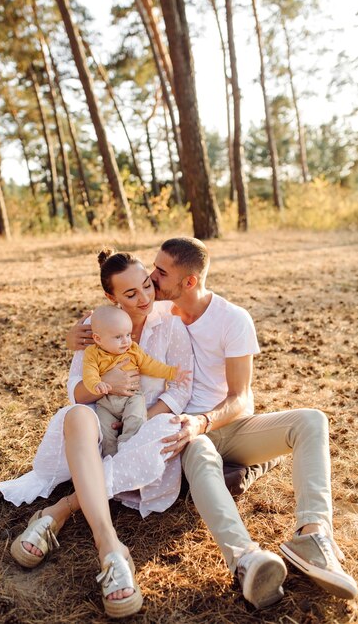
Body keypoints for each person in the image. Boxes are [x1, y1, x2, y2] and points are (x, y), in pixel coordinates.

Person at [147, 237, 357, 607]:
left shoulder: (232, 319)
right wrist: (78, 334)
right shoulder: (158, 312)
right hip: (186, 434)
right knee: (200, 452)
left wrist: (204, 421)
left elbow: (240, 398)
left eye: (162, 272)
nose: (153, 277)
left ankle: (312, 534)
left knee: (311, 420)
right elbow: (113, 313)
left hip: (231, 426)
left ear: (190, 282)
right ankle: (246, 558)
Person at [0, 249, 193, 619]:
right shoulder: (92, 327)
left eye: (147, 285)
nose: (144, 298)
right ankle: (111, 547)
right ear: (110, 298)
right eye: (130, 294)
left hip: (144, 423)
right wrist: (106, 385)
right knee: (77, 417)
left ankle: (59, 512)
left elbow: (180, 389)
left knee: (158, 432)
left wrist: (142, 417)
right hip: (98, 419)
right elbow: (75, 393)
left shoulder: (171, 323)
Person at [84, 305, 191, 457]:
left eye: (128, 335)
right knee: (103, 427)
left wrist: (172, 373)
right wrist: (96, 383)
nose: (125, 341)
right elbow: (89, 372)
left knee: (136, 416)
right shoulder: (92, 353)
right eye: (118, 337)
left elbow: (151, 365)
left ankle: (128, 444)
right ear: (98, 339)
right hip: (106, 401)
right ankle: (110, 455)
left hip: (131, 397)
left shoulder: (132, 350)